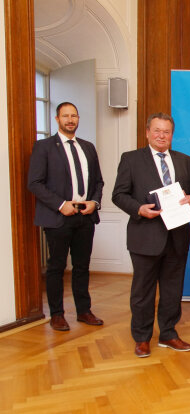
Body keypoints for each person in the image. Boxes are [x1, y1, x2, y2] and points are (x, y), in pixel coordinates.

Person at [112, 113, 190, 358]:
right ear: (147, 132)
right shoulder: (131, 159)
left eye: (167, 132)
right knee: (143, 291)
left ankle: (168, 334)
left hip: (177, 236)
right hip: (145, 236)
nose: (162, 136)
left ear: (172, 135)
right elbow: (118, 195)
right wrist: (138, 209)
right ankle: (141, 338)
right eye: (157, 131)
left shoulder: (185, 160)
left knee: (173, 290)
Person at [27, 102, 104, 331]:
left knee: (82, 266)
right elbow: (34, 183)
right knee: (56, 267)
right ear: (57, 119)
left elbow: (98, 181)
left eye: (74, 116)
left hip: (85, 216)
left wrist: (94, 202)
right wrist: (61, 205)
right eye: (65, 116)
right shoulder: (44, 147)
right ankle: (57, 315)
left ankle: (84, 311)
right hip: (58, 217)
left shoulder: (88, 147)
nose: (70, 120)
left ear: (78, 118)